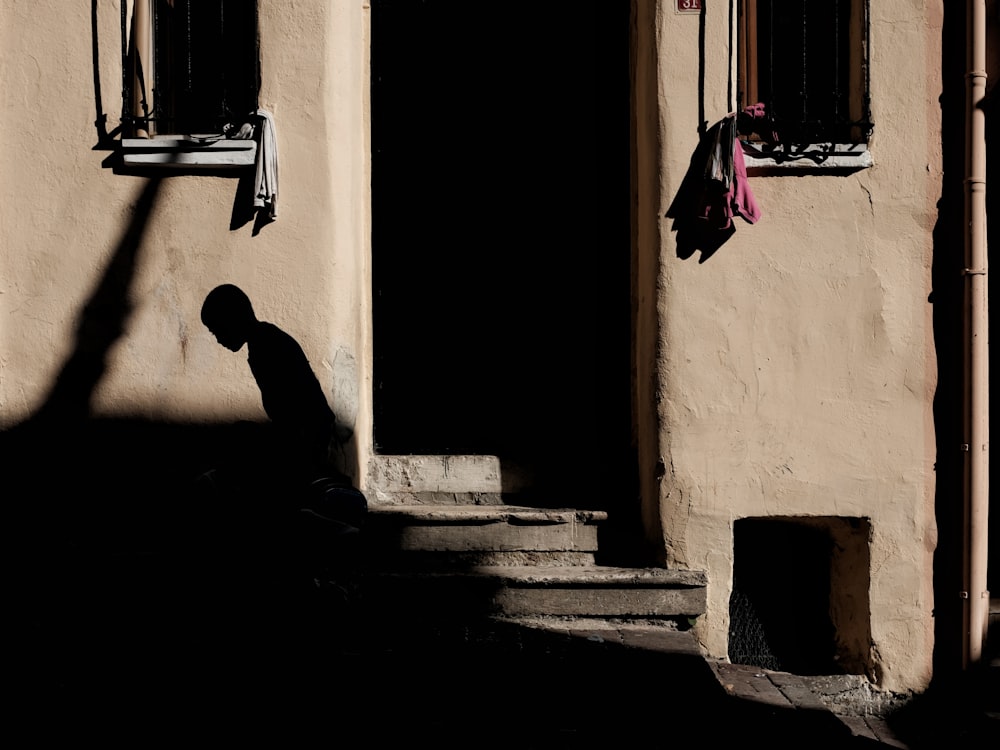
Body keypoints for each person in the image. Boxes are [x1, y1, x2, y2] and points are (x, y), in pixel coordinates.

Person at [199, 284, 366, 537]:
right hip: (305, 436)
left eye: (216, 330)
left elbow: (297, 411)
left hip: (306, 439)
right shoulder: (264, 341)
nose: (218, 339)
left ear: (232, 319)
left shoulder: (266, 347)